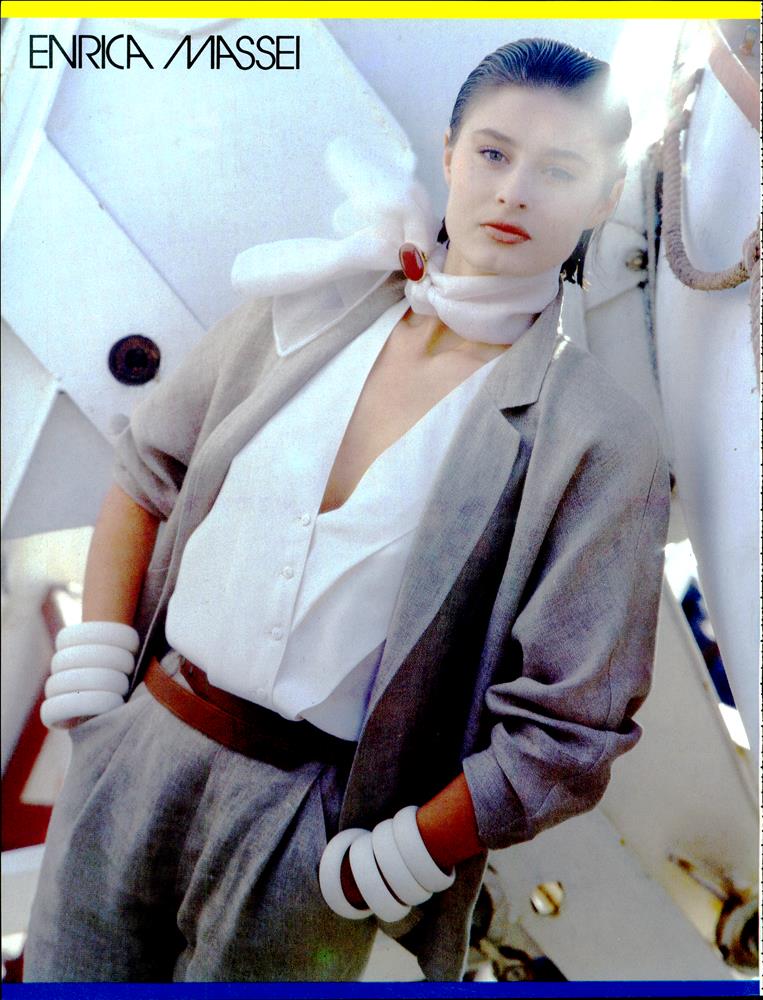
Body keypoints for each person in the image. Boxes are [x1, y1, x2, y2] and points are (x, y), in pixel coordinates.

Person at [24, 38, 670, 982]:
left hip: (312, 830)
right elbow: (147, 467)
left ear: (605, 197)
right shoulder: (313, 303)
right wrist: (96, 691)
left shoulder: (598, 437)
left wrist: (394, 858)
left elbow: (569, 733)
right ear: (449, 152)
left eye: (560, 170)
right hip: (137, 742)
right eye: (493, 153)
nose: (514, 192)